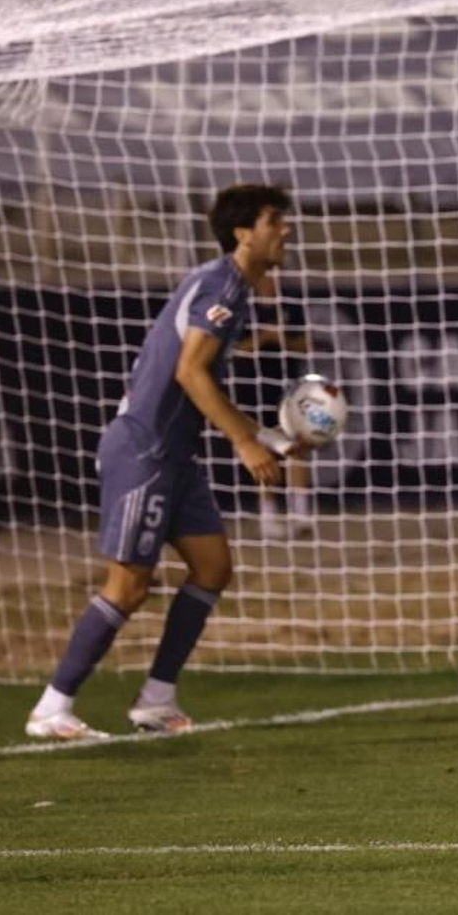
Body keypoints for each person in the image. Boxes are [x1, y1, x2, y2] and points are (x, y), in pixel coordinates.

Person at [24, 184, 298, 741]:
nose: (286, 229)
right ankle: (52, 708)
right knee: (128, 587)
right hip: (145, 452)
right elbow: (190, 374)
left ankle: (156, 698)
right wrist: (247, 445)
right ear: (243, 233)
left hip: (176, 457)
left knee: (213, 568)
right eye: (275, 220)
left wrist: (273, 438)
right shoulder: (221, 284)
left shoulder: (232, 289)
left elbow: (211, 364)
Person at [238, 271, 317, 540]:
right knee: (264, 450)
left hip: (287, 388)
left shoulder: (290, 306)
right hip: (256, 388)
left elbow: (306, 345)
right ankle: (268, 515)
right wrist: (264, 338)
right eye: (267, 275)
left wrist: (284, 340)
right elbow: (235, 348)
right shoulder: (245, 308)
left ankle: (301, 514)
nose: (271, 279)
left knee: (296, 447)